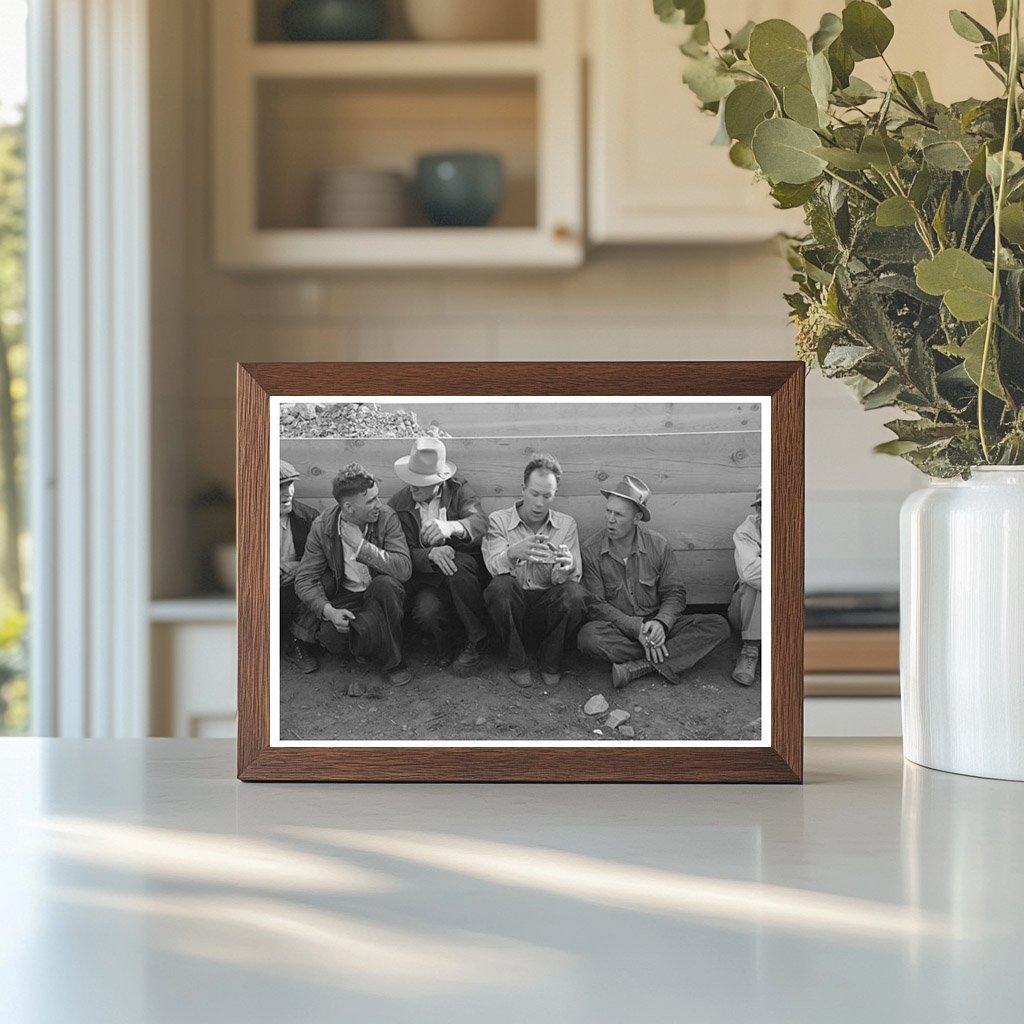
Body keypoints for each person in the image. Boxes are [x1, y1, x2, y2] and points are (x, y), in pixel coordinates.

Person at [577, 475, 730, 690]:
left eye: (619, 514)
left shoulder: (659, 545)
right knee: (588, 638)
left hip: (658, 625)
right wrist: (636, 628)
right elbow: (595, 605)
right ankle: (669, 655)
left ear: (637, 517)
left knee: (718, 625)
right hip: (620, 628)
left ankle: (639, 666)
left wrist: (660, 623)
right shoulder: (591, 549)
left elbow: (675, 593)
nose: (610, 519)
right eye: (608, 511)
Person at [294, 462, 413, 695]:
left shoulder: (386, 517)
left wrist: (361, 547)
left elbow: (404, 569)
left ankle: (393, 662)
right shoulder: (322, 527)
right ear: (348, 507)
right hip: (346, 595)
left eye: (377, 497)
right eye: (370, 501)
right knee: (331, 639)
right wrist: (329, 612)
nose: (379, 504)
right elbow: (305, 579)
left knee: (386, 584)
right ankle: (370, 637)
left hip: (381, 595)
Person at [481, 453, 588, 689]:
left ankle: (550, 661)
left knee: (575, 594)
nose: (540, 503)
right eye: (534, 493)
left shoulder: (567, 524)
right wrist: (512, 553)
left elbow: (574, 577)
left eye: (547, 496)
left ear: (555, 493)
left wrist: (567, 566)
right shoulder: (498, 520)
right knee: (500, 587)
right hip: (513, 610)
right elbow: (491, 566)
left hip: (546, 611)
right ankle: (517, 663)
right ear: (523, 489)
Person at [388, 437, 489, 670]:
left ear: (439, 480)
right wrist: (430, 554)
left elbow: (481, 523)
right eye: (410, 479)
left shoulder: (459, 489)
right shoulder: (398, 504)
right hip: (427, 578)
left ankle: (477, 640)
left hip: (465, 575)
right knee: (426, 611)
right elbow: (399, 553)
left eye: (420, 482)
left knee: (456, 563)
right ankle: (446, 646)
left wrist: (453, 527)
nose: (412, 486)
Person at [279, 459, 321, 675]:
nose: (288, 493)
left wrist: (300, 567)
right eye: (279, 487)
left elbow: (328, 558)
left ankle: (298, 642)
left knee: (325, 580)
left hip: (295, 593)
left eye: (290, 485)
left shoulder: (309, 518)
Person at [728, 487, 762, 686]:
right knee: (755, 584)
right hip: (749, 612)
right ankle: (750, 649)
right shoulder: (747, 531)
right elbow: (750, 572)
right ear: (758, 510)